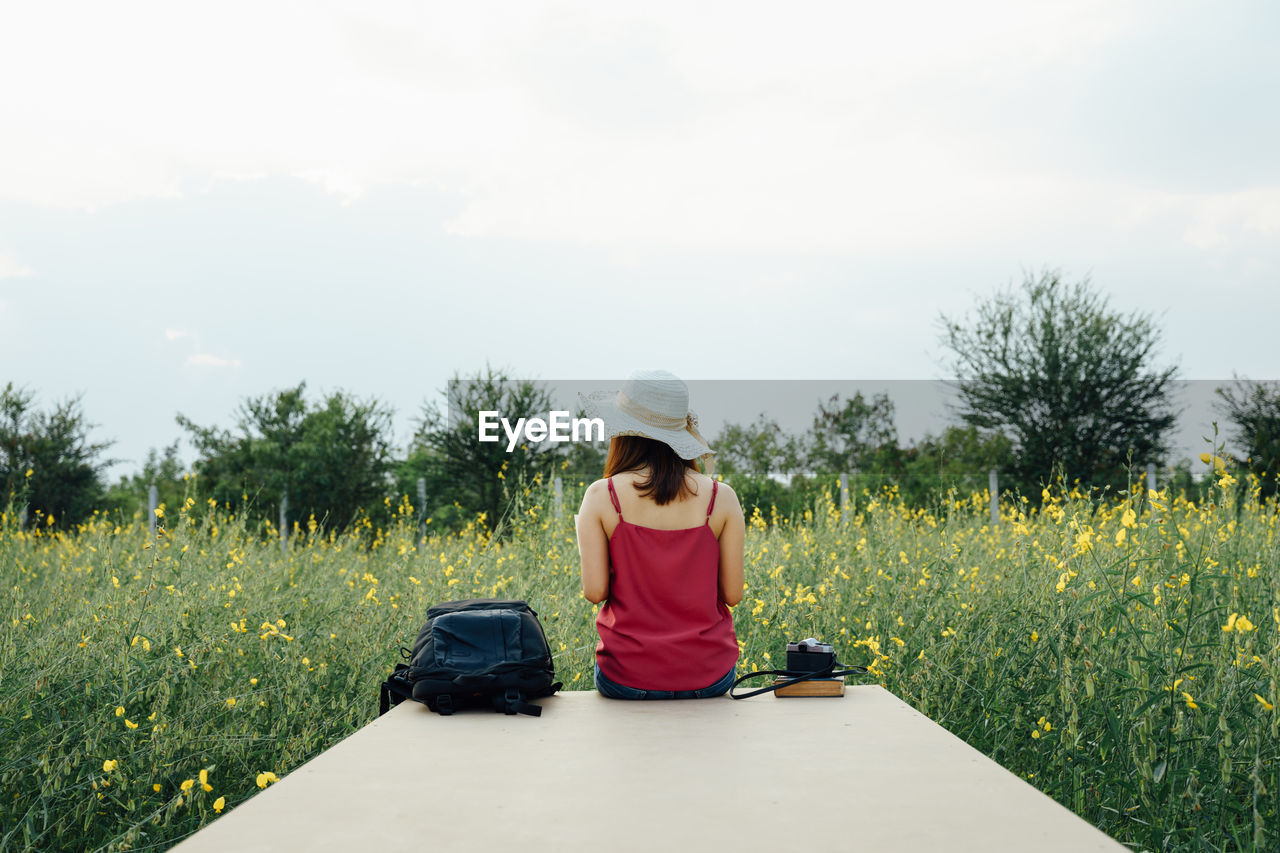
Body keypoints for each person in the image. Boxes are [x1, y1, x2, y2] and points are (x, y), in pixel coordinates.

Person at [575, 369, 746, 699]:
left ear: (623, 431)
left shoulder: (600, 496)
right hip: (709, 676)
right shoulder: (721, 498)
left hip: (625, 676)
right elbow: (733, 594)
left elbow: (595, 592)